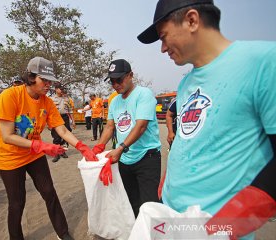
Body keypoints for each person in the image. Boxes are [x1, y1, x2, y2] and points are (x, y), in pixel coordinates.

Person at [138, 0, 276, 239]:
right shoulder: (185, 83)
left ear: (192, 20)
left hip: (214, 228)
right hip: (170, 218)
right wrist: (168, 178)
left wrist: (238, 218)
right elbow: (189, 137)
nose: (162, 48)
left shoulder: (264, 62)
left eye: (163, 36)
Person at [0, 56, 97, 240]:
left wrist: (82, 146)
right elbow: (7, 136)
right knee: (17, 202)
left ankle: (62, 233)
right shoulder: (10, 96)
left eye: (50, 81)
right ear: (31, 77)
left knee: (49, 192)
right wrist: (41, 145)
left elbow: (61, 129)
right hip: (8, 158)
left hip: (33, 155)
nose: (48, 84)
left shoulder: (47, 102)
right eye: (44, 80)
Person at [92, 59, 162, 217]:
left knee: (149, 204)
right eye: (112, 81)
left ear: (130, 75)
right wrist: (99, 147)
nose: (116, 84)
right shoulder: (115, 101)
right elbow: (110, 126)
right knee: (132, 201)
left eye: (119, 79)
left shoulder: (144, 94)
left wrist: (121, 148)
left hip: (146, 157)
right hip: (125, 160)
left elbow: (141, 126)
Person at [50, 83, 76, 162]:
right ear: (56, 89)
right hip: (55, 118)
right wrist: (49, 123)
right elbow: (48, 111)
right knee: (56, 136)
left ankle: (63, 151)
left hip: (65, 118)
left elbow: (70, 110)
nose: (62, 90)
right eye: (60, 89)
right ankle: (56, 153)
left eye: (62, 89)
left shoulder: (67, 99)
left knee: (66, 136)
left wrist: (73, 121)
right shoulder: (51, 99)